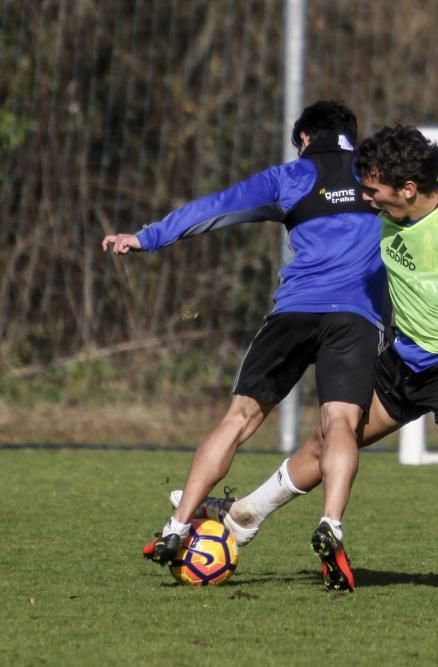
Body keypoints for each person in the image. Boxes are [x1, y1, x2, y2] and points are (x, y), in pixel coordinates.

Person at [175, 64, 438, 602]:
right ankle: (243, 518)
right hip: (404, 359)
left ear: (406, 188)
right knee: (331, 438)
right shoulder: (393, 206)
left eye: (373, 190)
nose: (365, 197)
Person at [103, 100, 393, 589]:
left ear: (304, 138)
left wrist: (147, 238)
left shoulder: (290, 177)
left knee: (236, 421)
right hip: (355, 318)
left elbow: (216, 208)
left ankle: (177, 528)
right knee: (341, 422)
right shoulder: (378, 176)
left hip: (294, 312)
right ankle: (331, 522)